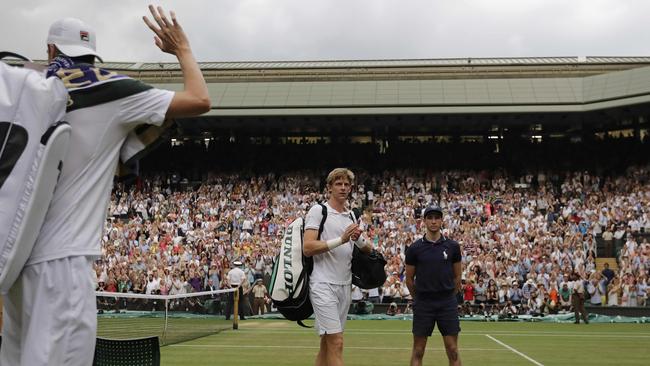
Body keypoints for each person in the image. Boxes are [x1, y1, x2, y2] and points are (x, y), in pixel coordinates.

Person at [0, 6, 210, 366]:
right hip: (64, 262)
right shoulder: (110, 87)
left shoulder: (24, 88)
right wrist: (183, 50)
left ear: (51, 50)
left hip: (17, 261)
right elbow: (199, 100)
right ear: (92, 55)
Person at [303, 168, 372, 366]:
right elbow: (308, 247)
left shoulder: (351, 216)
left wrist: (359, 241)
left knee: (327, 344)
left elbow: (365, 247)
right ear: (329, 187)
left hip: (345, 285)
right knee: (337, 342)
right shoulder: (319, 211)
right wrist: (341, 240)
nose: (343, 188)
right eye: (338, 184)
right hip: (322, 284)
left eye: (346, 184)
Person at [405, 206, 462, 366]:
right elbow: (409, 279)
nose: (434, 221)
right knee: (418, 350)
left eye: (437, 217)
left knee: (453, 350)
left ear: (442, 220)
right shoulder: (414, 248)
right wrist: (419, 299)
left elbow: (458, 277)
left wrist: (449, 296)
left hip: (447, 303)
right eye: (430, 218)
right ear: (424, 221)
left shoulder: (453, 246)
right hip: (424, 303)